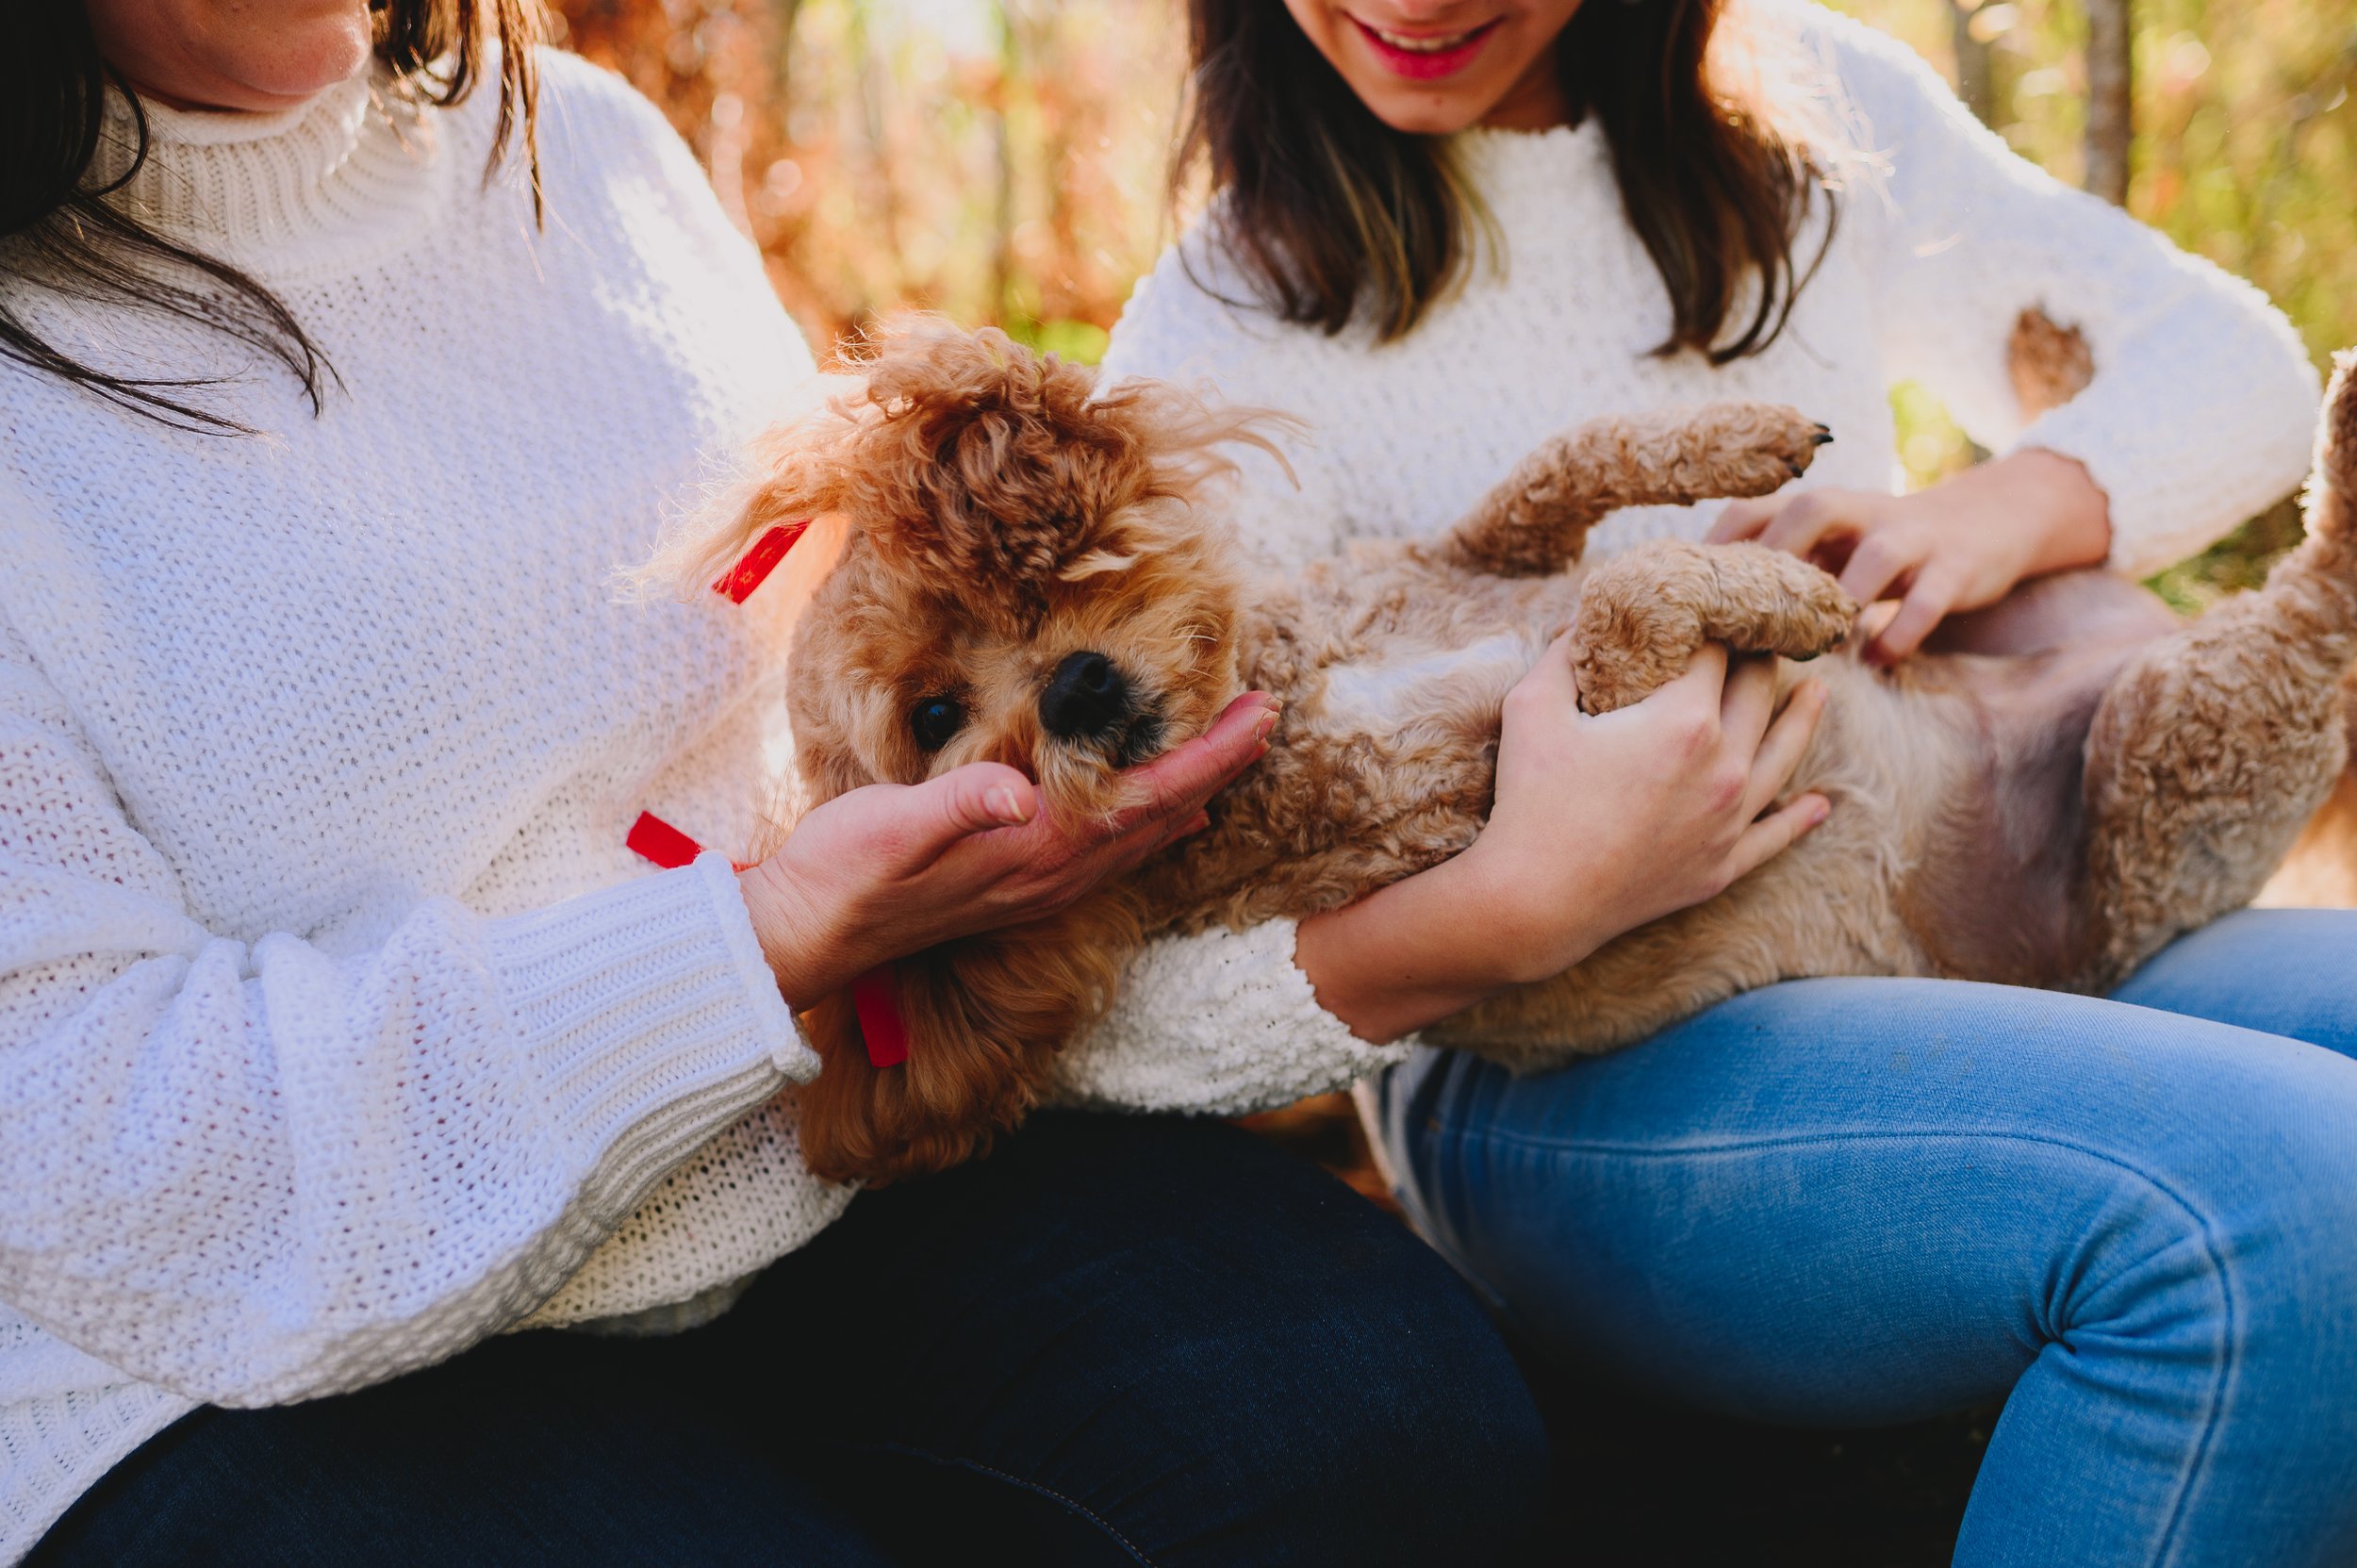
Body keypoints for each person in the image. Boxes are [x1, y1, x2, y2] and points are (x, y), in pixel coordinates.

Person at [0, 2, 1552, 1561]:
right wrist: (760, 938)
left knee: (1380, 1423)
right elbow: (96, 1141)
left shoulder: (580, 143)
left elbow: (813, 663)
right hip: (200, 1357)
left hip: (792, 1155)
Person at [1096, 1, 2357, 1563]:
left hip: (1956, 872)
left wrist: (2007, 507)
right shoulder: (1222, 331)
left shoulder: (1817, 130)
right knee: (2294, 1199)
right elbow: (1111, 996)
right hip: (1569, 1058)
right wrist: (1512, 907)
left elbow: (2229, 362)